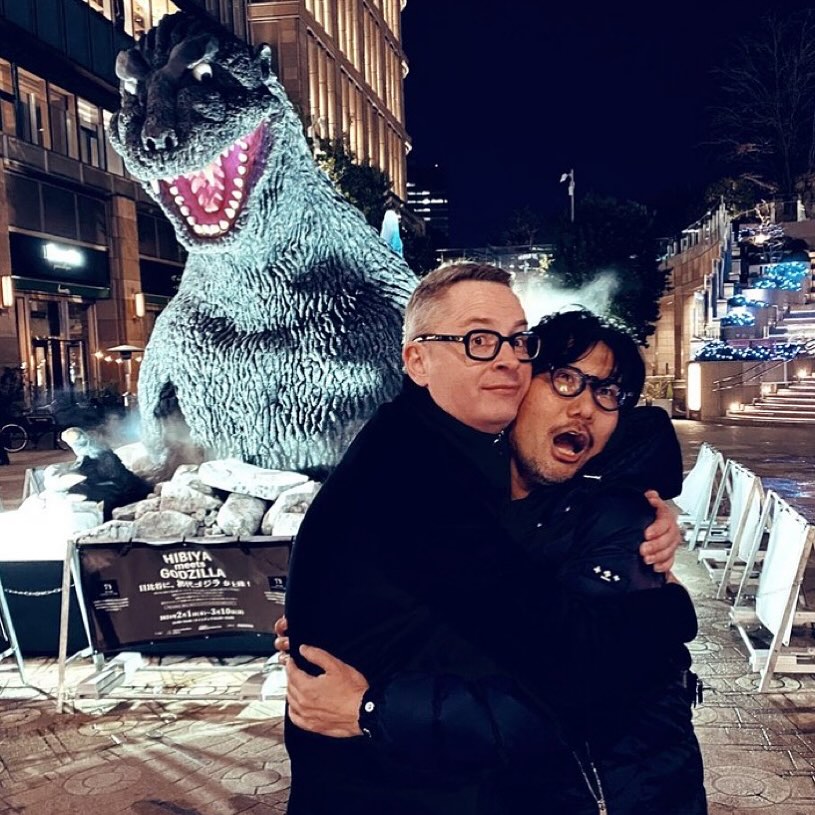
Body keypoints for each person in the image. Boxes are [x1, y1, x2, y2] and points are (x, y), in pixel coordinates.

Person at [283, 263, 695, 814]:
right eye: (565, 379)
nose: (505, 360)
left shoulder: (590, 509)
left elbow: (575, 686)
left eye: (516, 342)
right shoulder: (423, 476)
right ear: (417, 360)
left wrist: (371, 703)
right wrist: (674, 610)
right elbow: (563, 656)